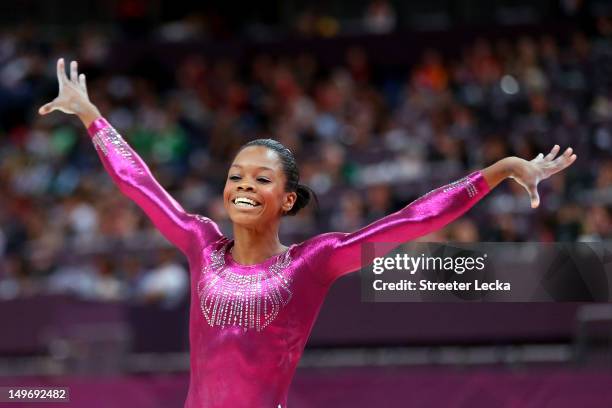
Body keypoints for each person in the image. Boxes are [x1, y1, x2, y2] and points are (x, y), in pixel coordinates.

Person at [38, 58, 576, 408]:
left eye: (261, 178)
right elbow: (142, 187)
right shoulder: (201, 243)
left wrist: (501, 168)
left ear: (287, 199)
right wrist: (91, 116)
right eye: (235, 176)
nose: (243, 186)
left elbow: (411, 221)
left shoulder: (311, 263)